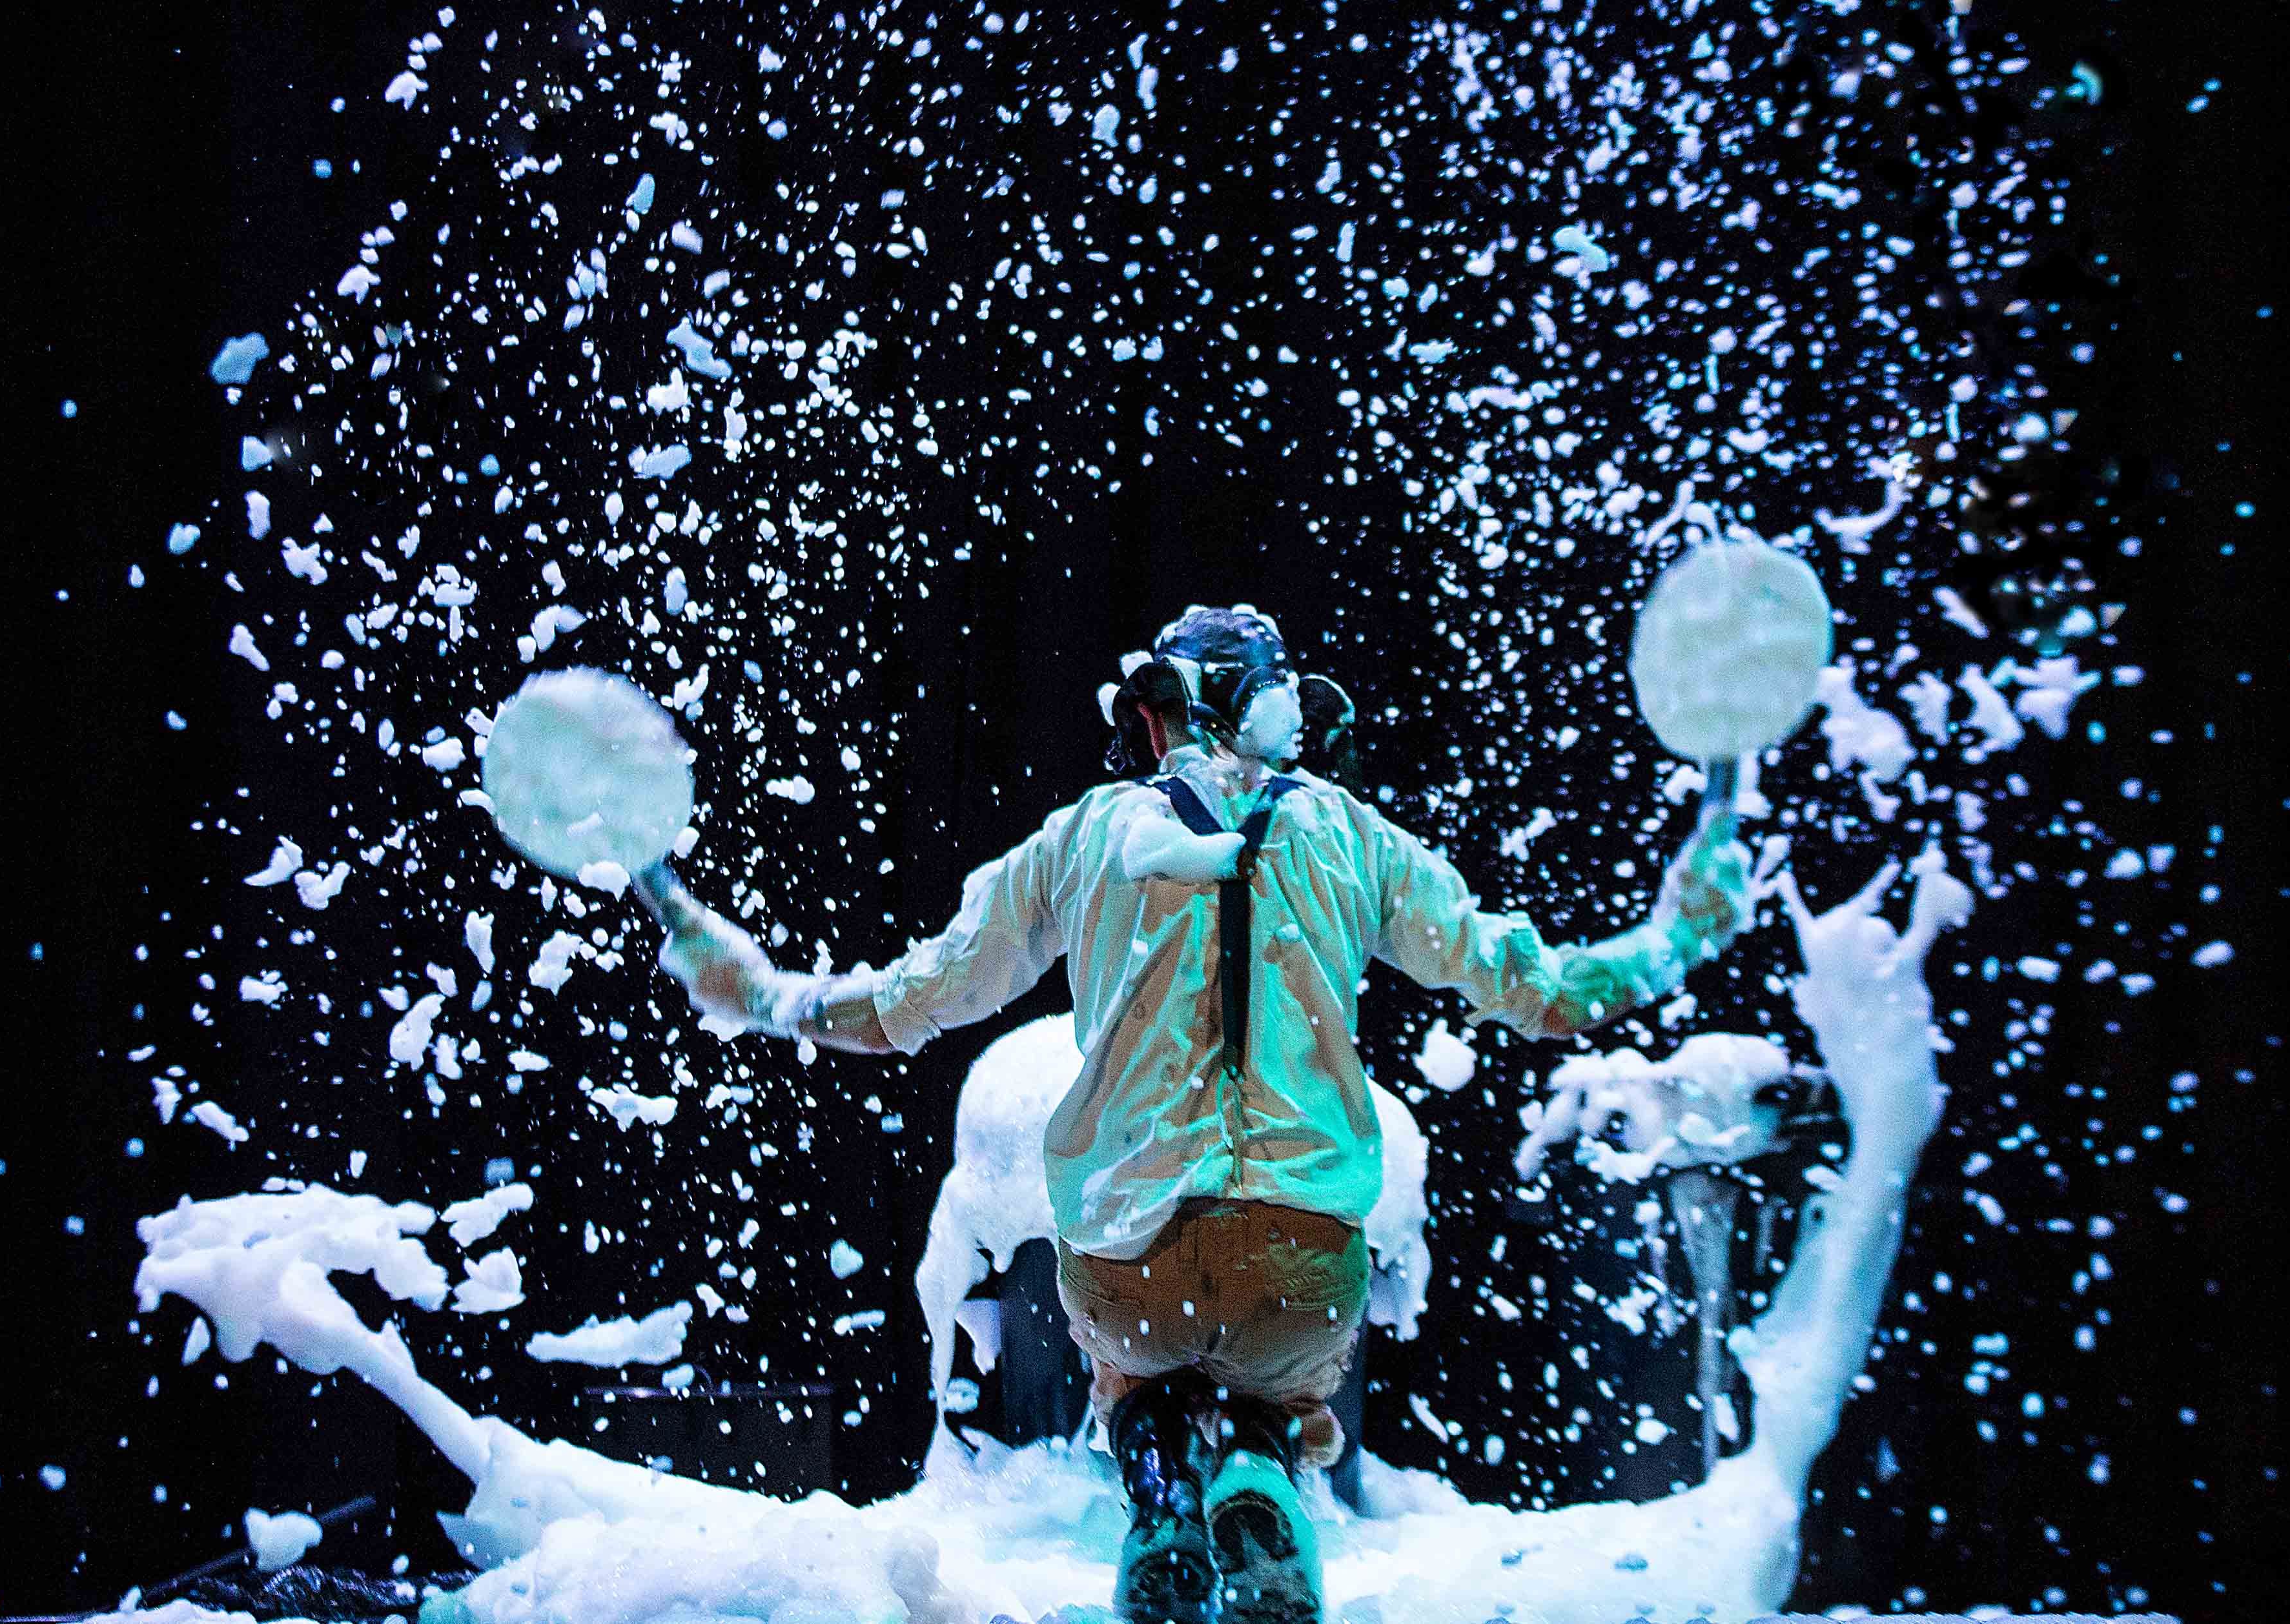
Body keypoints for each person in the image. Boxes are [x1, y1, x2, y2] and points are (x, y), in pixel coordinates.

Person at [646, 605, 1754, 1624]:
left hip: (1129, 1269)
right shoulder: (1351, 836)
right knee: (1279, 1370)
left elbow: (910, 1002)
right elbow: (1544, 991)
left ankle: (1160, 1482)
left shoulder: (1084, 837)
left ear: (1150, 712)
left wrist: (762, 993)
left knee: (1134, 1366)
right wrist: (1682, 932)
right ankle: (1263, 1460)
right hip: (1301, 1262)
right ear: (1285, 710)